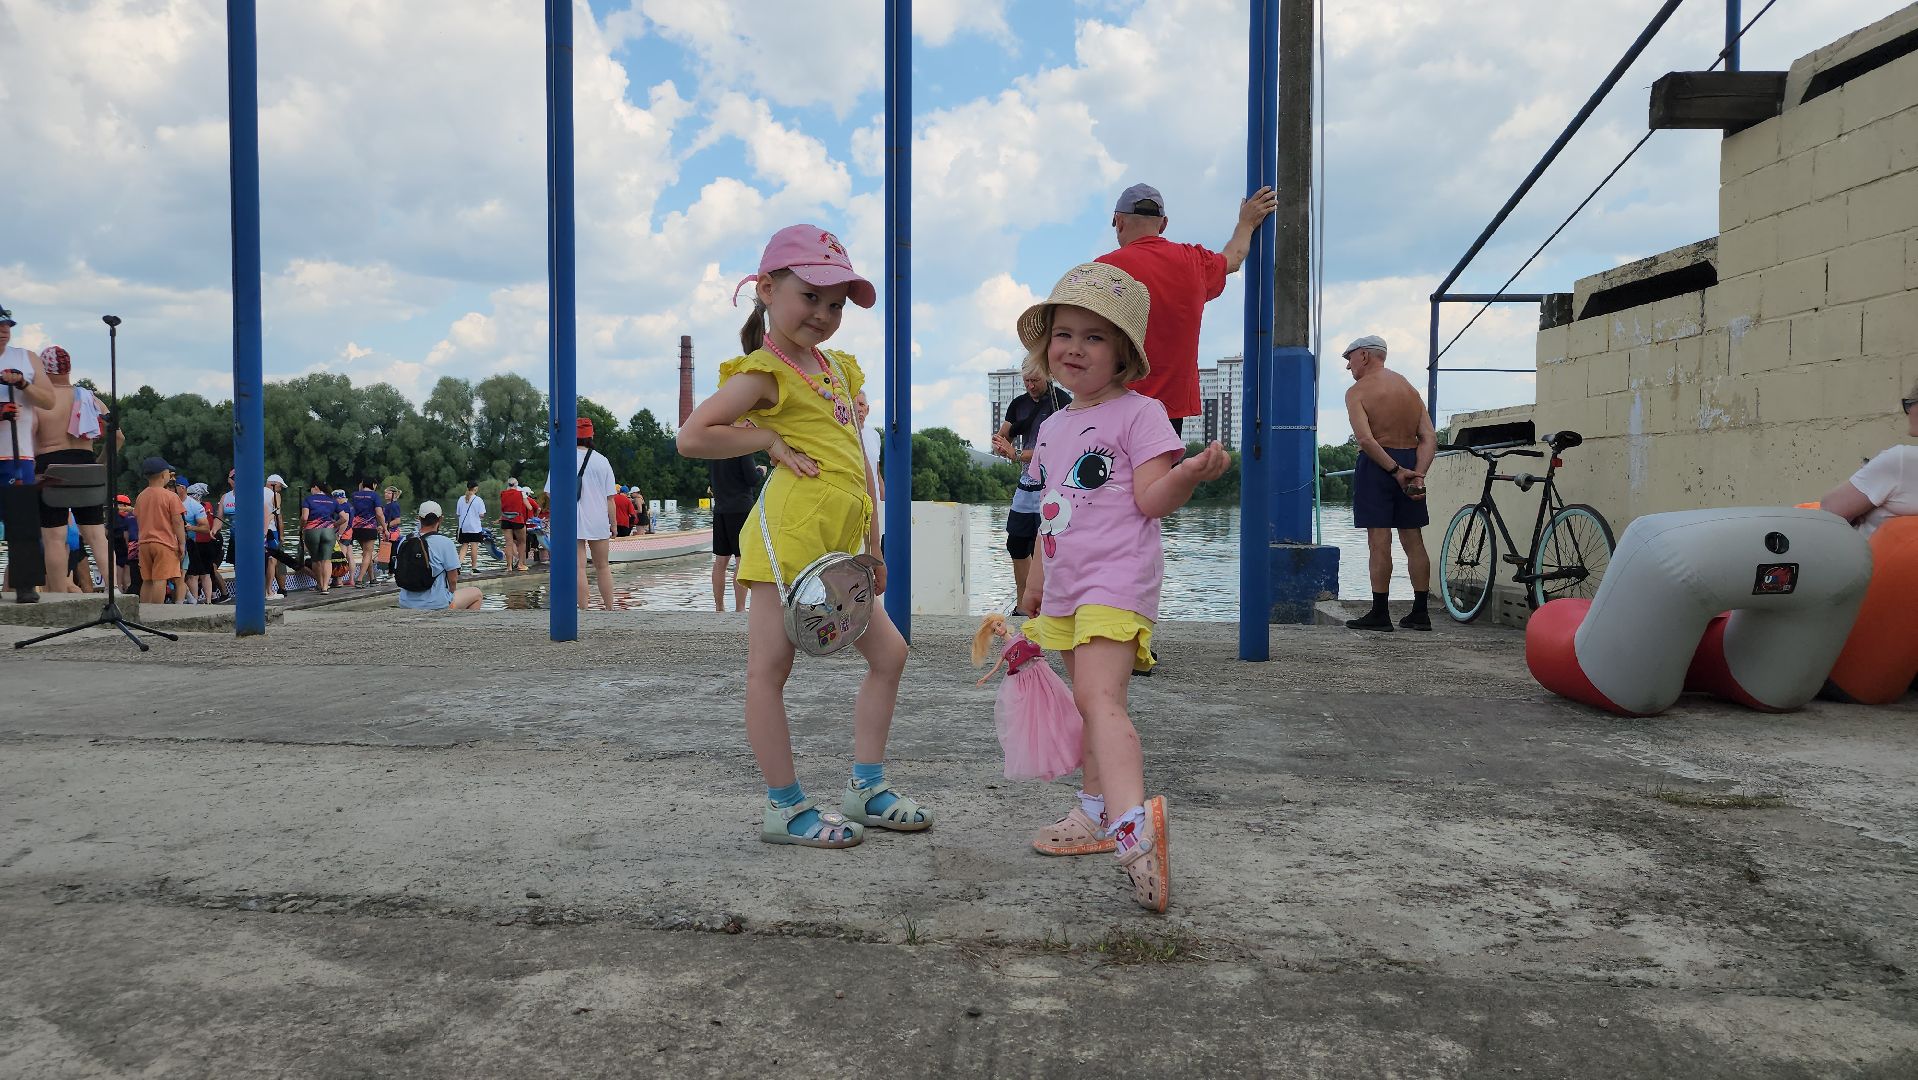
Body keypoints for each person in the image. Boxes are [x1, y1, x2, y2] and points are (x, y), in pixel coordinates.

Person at [676, 222, 924, 849]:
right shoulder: (764, 373)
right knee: (769, 670)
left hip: (842, 549)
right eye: (809, 295)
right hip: (788, 542)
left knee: (890, 655)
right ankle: (784, 806)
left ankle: (865, 787)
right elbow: (693, 435)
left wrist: (875, 542)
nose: (824, 313)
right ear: (765, 289)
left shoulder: (837, 369)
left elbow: (859, 456)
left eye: (836, 303)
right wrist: (764, 437)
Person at [1015, 262, 1229, 912]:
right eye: (1064, 334)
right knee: (1089, 704)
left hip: (1115, 579)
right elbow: (1052, 508)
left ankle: (1133, 830)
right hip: (1067, 587)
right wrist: (1034, 579)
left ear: (1123, 354)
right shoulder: (1050, 428)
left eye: (1094, 338)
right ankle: (1090, 812)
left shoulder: (1142, 413)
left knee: (1098, 698)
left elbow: (1151, 498)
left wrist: (1189, 475)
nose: (1075, 348)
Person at [1095, 182, 1277, 436]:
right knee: (1162, 476)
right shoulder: (1194, 262)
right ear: (1163, 224)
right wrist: (1246, 222)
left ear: (1119, 221)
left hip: (1113, 404)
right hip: (1168, 412)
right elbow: (1234, 257)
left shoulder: (1103, 270)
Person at [1340, 335, 1437, 632]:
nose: (1348, 366)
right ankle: (1420, 613)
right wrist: (1417, 472)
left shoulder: (1356, 392)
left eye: (1350, 359)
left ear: (1365, 356)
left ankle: (1380, 613)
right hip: (1411, 459)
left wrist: (1395, 470)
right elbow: (1429, 437)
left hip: (1378, 466)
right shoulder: (1409, 389)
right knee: (1413, 540)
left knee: (1379, 540)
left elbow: (1366, 440)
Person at [31, 345, 116, 595]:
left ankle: (58, 596)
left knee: (55, 538)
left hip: (51, 468)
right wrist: (98, 466)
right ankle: (115, 592)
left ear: (43, 371)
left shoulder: (41, 401)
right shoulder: (90, 398)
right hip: (87, 466)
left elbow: (29, 438)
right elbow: (117, 436)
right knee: (97, 537)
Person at [992, 366, 1071, 609]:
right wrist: (1000, 442)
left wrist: (1015, 453)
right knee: (1015, 543)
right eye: (1026, 380)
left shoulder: (1062, 402)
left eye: (1035, 380)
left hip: (1052, 486)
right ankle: (1022, 604)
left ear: (1048, 376)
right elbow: (1004, 433)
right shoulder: (1018, 403)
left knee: (1046, 547)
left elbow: (1056, 448)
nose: (1030, 385)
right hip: (1026, 484)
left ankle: (1046, 604)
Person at [0, 308, 54, 603]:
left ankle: (25, 585)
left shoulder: (26, 358)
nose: (3, 331)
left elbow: (48, 400)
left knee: (23, 523)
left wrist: (22, 384)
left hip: (18, 457)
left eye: (7, 326)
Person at [1821, 382, 1918, 535]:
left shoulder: (1901, 460)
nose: (1909, 412)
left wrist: (1861, 512)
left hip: (1868, 557)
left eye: (1910, 404)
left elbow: (1828, 510)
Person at [546, 417, 619, 611]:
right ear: (591, 435)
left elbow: (550, 493)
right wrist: (614, 525)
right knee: (603, 566)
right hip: (598, 519)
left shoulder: (561, 458)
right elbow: (610, 498)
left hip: (571, 520)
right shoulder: (602, 461)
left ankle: (584, 610)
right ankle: (610, 609)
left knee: (578, 567)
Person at [394, 500, 482, 611]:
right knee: (476, 593)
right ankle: (463, 626)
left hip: (405, 603)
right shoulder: (445, 543)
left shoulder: (405, 541)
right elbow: (453, 579)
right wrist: (450, 594)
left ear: (419, 518)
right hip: (436, 604)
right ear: (441, 519)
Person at [708, 452, 759, 612]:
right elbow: (752, 479)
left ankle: (719, 607)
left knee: (720, 561)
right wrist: (761, 471)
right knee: (741, 559)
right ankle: (740, 608)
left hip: (720, 509)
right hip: (741, 509)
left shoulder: (715, 451)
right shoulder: (742, 449)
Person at [134, 457, 186, 607]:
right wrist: (182, 543)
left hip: (144, 543)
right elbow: (177, 522)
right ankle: (157, 613)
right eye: (169, 473)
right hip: (164, 544)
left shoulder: (141, 496)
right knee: (160, 579)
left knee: (147, 580)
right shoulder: (171, 496)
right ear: (164, 475)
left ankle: (143, 611)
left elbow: (138, 518)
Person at [298, 481, 341, 594]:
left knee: (316, 560)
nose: (311, 492)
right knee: (327, 560)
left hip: (312, 531)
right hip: (328, 531)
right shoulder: (332, 500)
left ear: (315, 487)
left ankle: (320, 584)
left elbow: (304, 517)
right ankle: (326, 587)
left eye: (311, 489)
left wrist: (301, 528)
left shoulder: (308, 500)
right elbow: (345, 517)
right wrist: (334, 525)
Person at [854, 391, 883, 557]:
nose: (859, 409)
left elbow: (877, 472)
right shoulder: (844, 434)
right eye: (855, 404)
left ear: (868, 409)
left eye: (862, 405)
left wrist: (884, 499)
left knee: (874, 551)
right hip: (855, 502)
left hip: (875, 505)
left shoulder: (875, 435)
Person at [345, 479, 386, 587]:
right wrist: (385, 528)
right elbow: (379, 513)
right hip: (369, 527)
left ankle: (372, 578)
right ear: (373, 485)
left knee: (366, 554)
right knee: (368, 554)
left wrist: (360, 489)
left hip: (356, 528)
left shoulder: (354, 495)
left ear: (362, 484)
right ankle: (359, 580)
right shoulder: (374, 496)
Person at [183, 481, 217, 603]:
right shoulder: (207, 505)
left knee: (195, 574)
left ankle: (197, 600)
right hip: (204, 543)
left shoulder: (196, 507)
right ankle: (207, 600)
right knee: (205, 573)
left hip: (198, 543)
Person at [498, 478, 533, 571]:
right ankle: (520, 565)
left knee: (508, 543)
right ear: (516, 484)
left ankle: (509, 567)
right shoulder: (521, 493)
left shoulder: (503, 493)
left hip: (505, 520)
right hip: (517, 519)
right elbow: (529, 507)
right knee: (522, 542)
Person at [108, 494, 137, 593]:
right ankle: (125, 589)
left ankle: (120, 589)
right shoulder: (131, 517)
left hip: (120, 548)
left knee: (120, 573)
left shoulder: (115, 518)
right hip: (126, 548)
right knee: (126, 573)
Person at [455, 480, 485, 575]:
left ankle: (458, 566)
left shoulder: (460, 499)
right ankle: (474, 568)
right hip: (474, 527)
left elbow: (458, 513)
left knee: (464, 546)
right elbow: (482, 514)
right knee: (474, 547)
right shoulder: (478, 500)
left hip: (463, 527)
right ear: (475, 488)